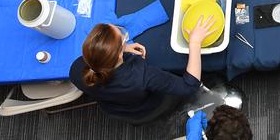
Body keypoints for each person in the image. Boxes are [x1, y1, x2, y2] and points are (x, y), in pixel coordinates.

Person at [70, 18, 214, 124]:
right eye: (122, 37)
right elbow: (189, 86)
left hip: (117, 109)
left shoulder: (76, 69)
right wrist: (195, 43)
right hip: (149, 107)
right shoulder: (142, 75)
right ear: (118, 55)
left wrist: (122, 48)